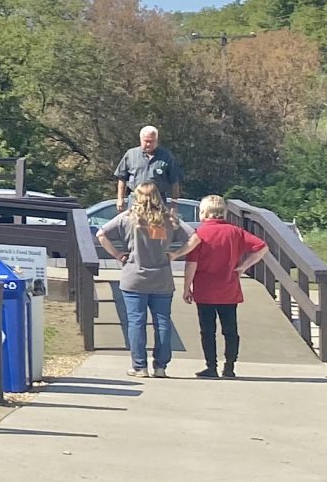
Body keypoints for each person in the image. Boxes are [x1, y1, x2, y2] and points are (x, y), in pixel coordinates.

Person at [95, 183, 196, 378]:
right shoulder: (169, 219)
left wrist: (117, 254)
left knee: (136, 322)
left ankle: (139, 366)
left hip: (134, 277)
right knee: (163, 322)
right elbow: (195, 238)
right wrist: (175, 254)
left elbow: (101, 234)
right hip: (162, 278)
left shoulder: (127, 218)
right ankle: (160, 366)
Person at [184, 195, 270, 379]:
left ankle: (211, 367)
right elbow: (261, 247)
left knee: (208, 330)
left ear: (203, 212)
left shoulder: (198, 234)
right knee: (230, 330)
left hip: (205, 289)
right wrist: (243, 267)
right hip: (229, 288)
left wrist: (186, 288)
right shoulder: (235, 232)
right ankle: (229, 367)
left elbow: (191, 264)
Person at [113, 125, 182, 210]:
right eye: (146, 141)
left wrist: (174, 202)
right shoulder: (131, 155)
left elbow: (174, 180)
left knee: (156, 223)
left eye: (152, 141)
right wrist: (120, 198)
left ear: (156, 140)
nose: (148, 144)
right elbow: (122, 178)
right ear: (140, 139)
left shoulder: (166, 156)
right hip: (136, 200)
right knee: (135, 223)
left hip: (158, 200)